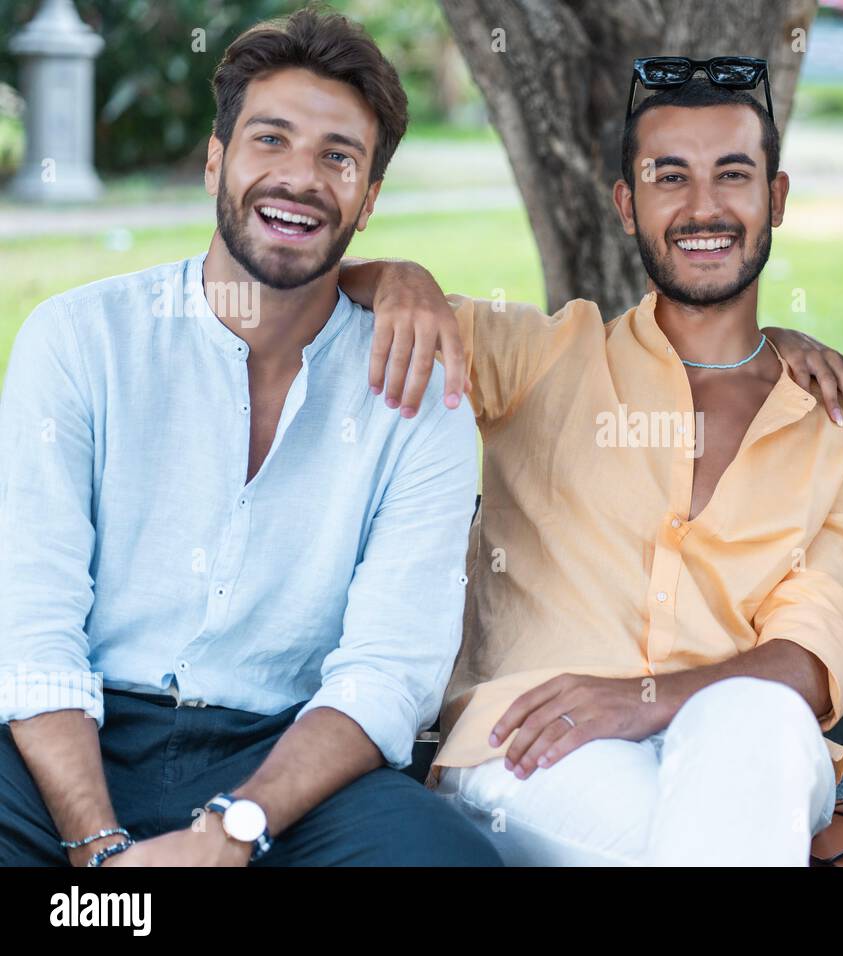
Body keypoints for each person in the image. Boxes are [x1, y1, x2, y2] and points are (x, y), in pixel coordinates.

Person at [339, 70, 843, 865]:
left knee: (755, 713)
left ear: (774, 198)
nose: (703, 207)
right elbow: (317, 287)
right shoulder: (542, 357)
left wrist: (641, 702)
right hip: (534, 749)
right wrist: (402, 278)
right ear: (627, 206)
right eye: (670, 177)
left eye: (731, 174)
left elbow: (810, 656)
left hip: (751, 753)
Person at [0, 8, 499, 867]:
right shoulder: (79, 340)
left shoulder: (425, 396)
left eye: (338, 157)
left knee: (440, 861)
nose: (300, 178)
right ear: (214, 161)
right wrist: (97, 849)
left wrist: (235, 828)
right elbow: (34, 624)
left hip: (287, 760)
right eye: (270, 140)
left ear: (369, 200)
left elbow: (387, 672)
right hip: (71, 739)